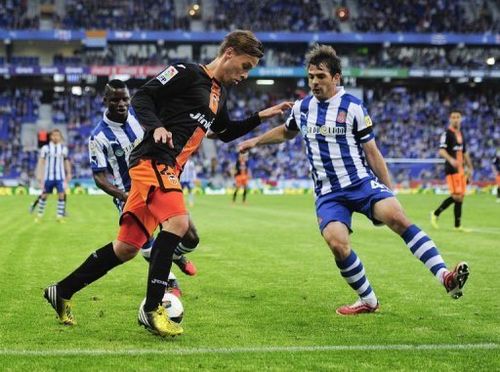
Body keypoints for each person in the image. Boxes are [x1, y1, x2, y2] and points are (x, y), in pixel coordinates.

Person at [44, 30, 292, 337]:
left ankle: (62, 290)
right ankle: (152, 309)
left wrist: (261, 116)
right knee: (177, 223)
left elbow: (225, 131)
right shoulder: (186, 72)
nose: (245, 74)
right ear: (228, 53)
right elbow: (142, 96)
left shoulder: (220, 94)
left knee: (126, 248)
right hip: (154, 159)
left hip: (167, 166)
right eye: (245, 66)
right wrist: (157, 126)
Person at [239, 44, 469, 316]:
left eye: (320, 76)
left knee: (398, 218)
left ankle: (445, 277)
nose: (314, 82)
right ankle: (368, 300)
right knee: (337, 243)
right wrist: (255, 141)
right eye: (311, 76)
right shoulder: (302, 108)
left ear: (336, 78)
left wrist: (388, 189)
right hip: (328, 193)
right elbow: (287, 132)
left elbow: (372, 152)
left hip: (361, 184)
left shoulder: (353, 107)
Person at [88, 79, 196, 282]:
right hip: (129, 194)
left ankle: (176, 255)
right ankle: (168, 283)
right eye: (115, 100)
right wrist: (122, 195)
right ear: (105, 100)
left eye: (125, 99)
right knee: (142, 245)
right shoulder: (98, 137)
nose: (121, 104)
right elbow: (99, 178)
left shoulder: (141, 117)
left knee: (190, 235)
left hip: (155, 182)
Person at [431, 110, 474, 231]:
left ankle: (457, 226)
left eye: (458, 117)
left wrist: (470, 167)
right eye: (453, 117)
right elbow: (441, 150)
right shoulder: (447, 133)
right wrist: (451, 160)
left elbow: (464, 152)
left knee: (460, 196)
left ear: (461, 119)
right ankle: (435, 213)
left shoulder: (461, 134)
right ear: (450, 119)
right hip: (451, 168)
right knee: (456, 196)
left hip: (461, 169)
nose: (456, 119)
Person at [33, 129, 71, 222]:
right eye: (54, 135)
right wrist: (39, 175)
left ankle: (59, 216)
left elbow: (66, 161)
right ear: (51, 137)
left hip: (60, 177)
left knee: (61, 195)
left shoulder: (63, 149)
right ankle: (39, 215)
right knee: (44, 195)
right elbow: (41, 162)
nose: (55, 137)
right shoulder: (45, 148)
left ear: (60, 137)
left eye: (57, 135)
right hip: (48, 177)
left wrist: (69, 173)